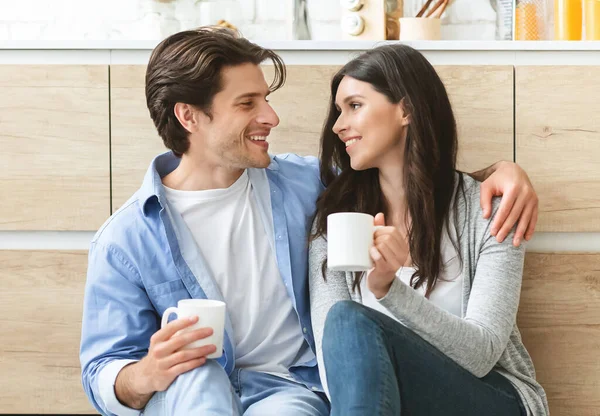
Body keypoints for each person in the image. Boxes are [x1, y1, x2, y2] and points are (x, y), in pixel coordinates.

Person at [80, 28, 540, 416]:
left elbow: (418, 174)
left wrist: (503, 171)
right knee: (200, 382)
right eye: (247, 103)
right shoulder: (126, 240)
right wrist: (146, 373)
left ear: (405, 109)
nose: (271, 117)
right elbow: (103, 369)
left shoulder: (306, 187)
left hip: (296, 391)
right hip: (198, 389)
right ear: (189, 116)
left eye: (354, 106)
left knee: (336, 339)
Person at [308, 44, 549, 416]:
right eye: (338, 111)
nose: (339, 125)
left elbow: (482, 354)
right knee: (345, 323)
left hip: (491, 400)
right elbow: (333, 367)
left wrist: (390, 291)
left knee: (349, 319)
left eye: (354, 106)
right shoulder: (334, 223)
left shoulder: (488, 211)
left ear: (405, 109)